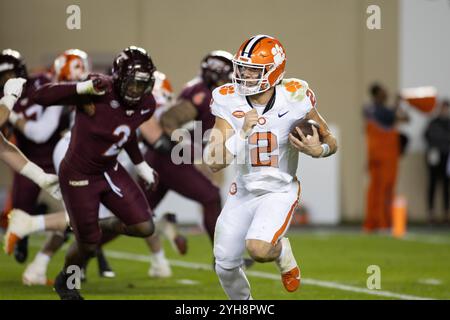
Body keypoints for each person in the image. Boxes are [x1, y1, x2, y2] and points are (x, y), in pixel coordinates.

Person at [205, 35, 338, 299]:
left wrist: (318, 150)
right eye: (241, 67)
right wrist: (241, 134)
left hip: (279, 190)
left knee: (259, 249)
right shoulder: (227, 99)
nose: (244, 74)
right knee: (225, 263)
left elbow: (330, 140)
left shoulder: (295, 97)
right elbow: (213, 162)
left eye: (252, 69)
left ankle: (281, 252)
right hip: (241, 191)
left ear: (274, 71)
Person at [30, 46, 159, 300]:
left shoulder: (147, 104)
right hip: (79, 173)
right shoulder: (97, 90)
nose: (136, 91)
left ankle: (88, 226)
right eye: (132, 84)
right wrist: (79, 89)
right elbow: (39, 96)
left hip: (110, 168)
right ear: (119, 78)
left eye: (142, 85)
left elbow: (127, 130)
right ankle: (65, 280)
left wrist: (141, 165)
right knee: (88, 245)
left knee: (144, 226)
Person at [140, 51, 246, 277]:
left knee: (136, 216)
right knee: (210, 197)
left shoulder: (209, 92)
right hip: (169, 159)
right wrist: (190, 151)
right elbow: (169, 121)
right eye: (228, 76)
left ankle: (86, 249)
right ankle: (223, 258)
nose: (232, 81)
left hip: (166, 160)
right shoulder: (200, 93)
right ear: (215, 75)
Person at [363, 83, 409, 232]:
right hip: (384, 156)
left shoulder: (372, 109)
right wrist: (398, 103)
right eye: (383, 92)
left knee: (379, 189)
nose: (386, 94)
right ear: (376, 94)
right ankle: (381, 222)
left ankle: (377, 222)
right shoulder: (375, 109)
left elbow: (402, 118)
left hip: (378, 155)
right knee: (383, 189)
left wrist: (397, 106)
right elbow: (395, 118)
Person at [424, 100, 450, 225]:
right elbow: (427, 136)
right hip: (435, 156)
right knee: (432, 183)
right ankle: (431, 212)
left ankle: (446, 212)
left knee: (446, 185)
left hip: (447, 157)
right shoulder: (433, 122)